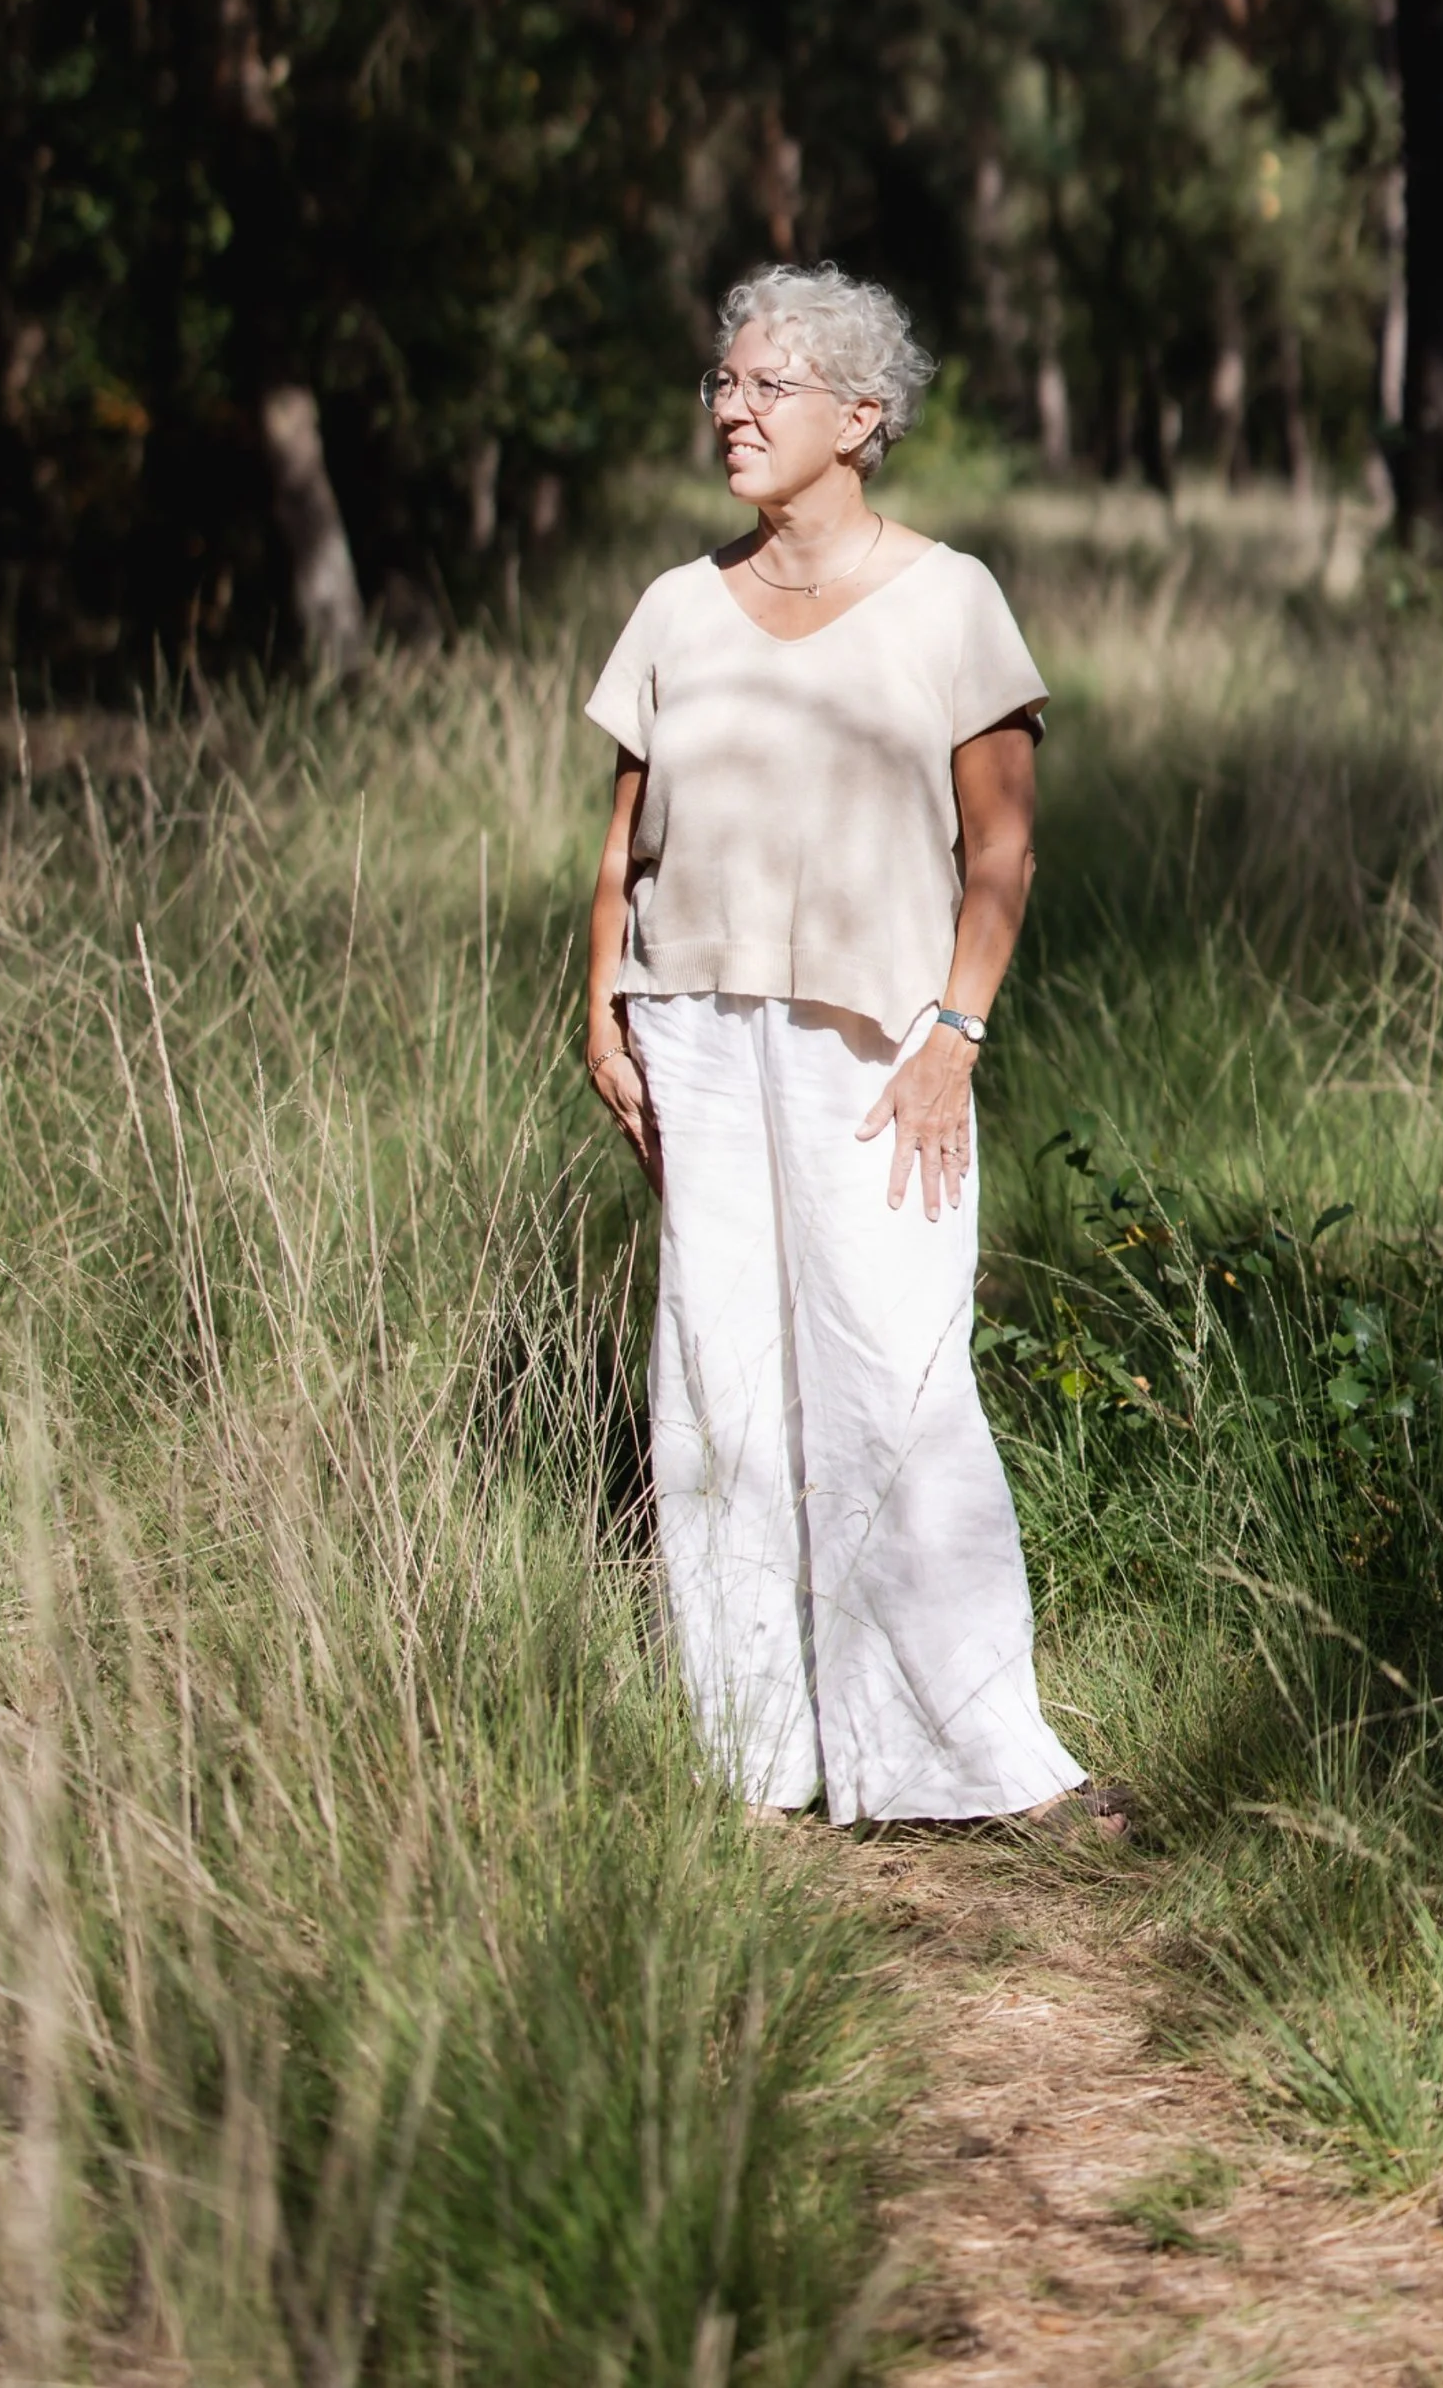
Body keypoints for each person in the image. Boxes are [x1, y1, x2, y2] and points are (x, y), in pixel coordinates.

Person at [583, 261, 1122, 1834]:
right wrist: (602, 1008)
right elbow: (620, 846)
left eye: (769, 384)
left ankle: (970, 1759)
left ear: (861, 415)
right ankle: (751, 1761)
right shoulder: (675, 607)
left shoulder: (952, 599)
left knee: (898, 1370)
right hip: (692, 1028)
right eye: (724, 381)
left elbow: (1002, 849)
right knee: (722, 1387)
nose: (732, 409)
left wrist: (959, 1028)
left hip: (883, 1042)